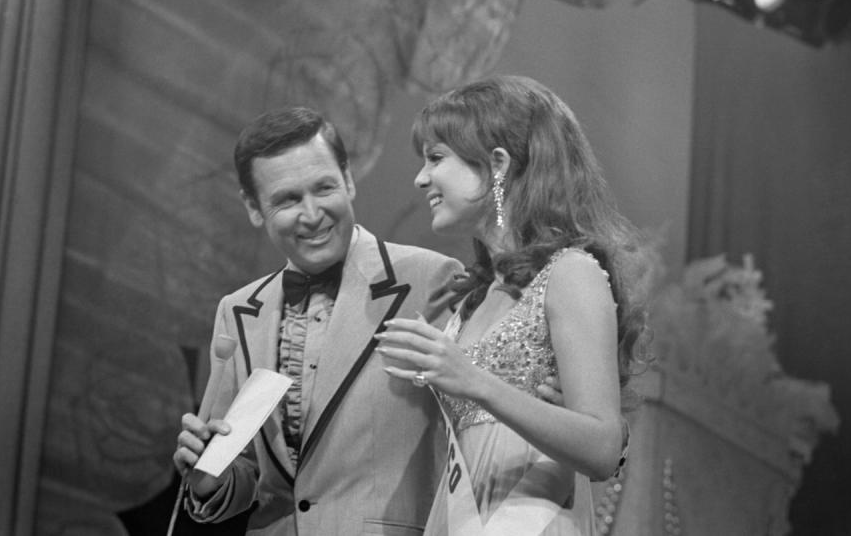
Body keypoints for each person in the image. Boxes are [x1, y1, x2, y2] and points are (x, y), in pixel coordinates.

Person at [377, 75, 654, 535]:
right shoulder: (472, 299)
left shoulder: (571, 273)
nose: (421, 177)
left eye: (436, 157)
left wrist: (476, 382)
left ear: (497, 164)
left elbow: (605, 447)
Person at [171, 107, 466, 535]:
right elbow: (247, 472)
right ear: (254, 207)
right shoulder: (238, 310)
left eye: (323, 188)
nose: (311, 215)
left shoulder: (431, 281)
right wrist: (207, 481)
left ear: (347, 180)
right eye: (287, 200)